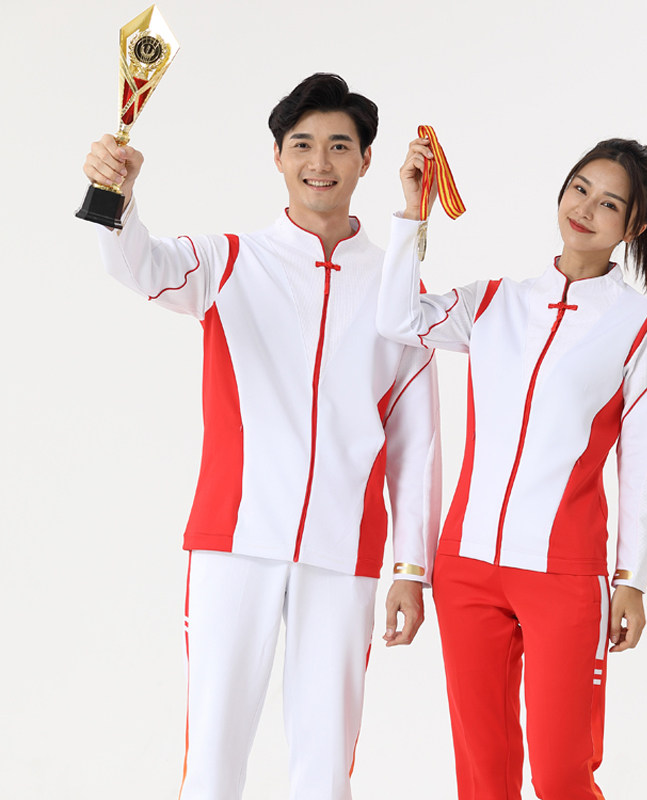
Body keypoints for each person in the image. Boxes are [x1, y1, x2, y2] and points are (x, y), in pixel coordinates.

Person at [82, 73, 441, 800]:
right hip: (233, 540)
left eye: (339, 145)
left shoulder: (397, 288)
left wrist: (412, 566)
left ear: (366, 160)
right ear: (277, 156)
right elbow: (136, 264)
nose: (320, 162)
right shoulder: (228, 260)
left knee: (325, 764)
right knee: (214, 758)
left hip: (343, 550)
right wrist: (112, 193)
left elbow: (417, 441)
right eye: (301, 144)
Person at [377, 136, 647, 799]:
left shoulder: (641, 325)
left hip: (565, 575)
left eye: (610, 204)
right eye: (580, 189)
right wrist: (412, 214)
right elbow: (398, 318)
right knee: (483, 773)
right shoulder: (495, 301)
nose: (586, 210)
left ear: (633, 227)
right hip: (466, 568)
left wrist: (631, 579)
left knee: (561, 773)